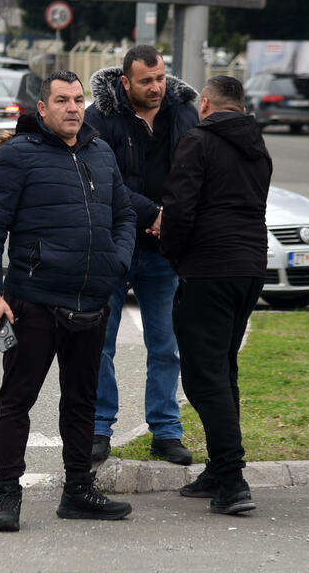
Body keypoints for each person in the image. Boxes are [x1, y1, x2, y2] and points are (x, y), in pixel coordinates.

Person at [0, 70, 136, 532]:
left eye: (79, 100)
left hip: (91, 303)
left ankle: (78, 490)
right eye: (62, 100)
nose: (73, 108)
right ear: (42, 108)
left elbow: (124, 214)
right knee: (16, 402)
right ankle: (7, 494)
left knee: (82, 403)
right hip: (34, 303)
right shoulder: (17, 155)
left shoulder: (100, 152)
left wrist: (117, 264)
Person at [159, 75, 272, 515]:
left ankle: (233, 481)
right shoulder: (257, 145)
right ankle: (218, 470)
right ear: (240, 106)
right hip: (250, 269)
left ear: (204, 103)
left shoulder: (198, 141)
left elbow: (180, 208)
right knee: (223, 371)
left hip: (208, 268)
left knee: (203, 378)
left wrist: (172, 252)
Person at [84, 45, 198, 466]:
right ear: (125, 81)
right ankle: (99, 428)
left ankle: (166, 432)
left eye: (160, 78)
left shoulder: (183, 114)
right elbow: (102, 179)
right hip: (112, 245)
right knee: (100, 345)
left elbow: (195, 174)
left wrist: (173, 218)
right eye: (146, 81)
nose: (156, 87)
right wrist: (154, 214)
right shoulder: (100, 117)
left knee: (166, 346)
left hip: (163, 251)